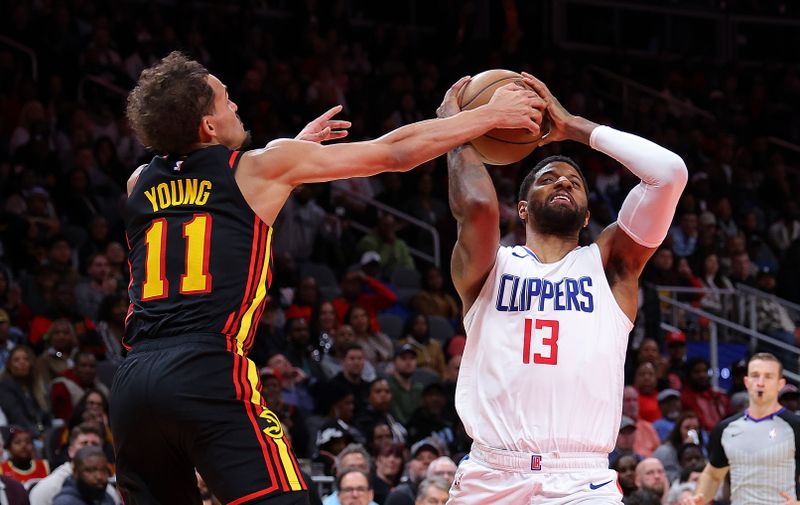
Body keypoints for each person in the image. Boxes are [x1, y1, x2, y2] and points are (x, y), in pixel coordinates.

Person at [113, 52, 541, 505]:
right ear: (208, 127)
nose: (235, 106)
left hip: (134, 383)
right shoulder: (260, 168)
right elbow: (393, 154)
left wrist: (290, 161)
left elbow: (203, 210)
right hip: (205, 370)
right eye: (225, 101)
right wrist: (488, 115)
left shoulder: (138, 182)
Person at [440, 72, 687, 504]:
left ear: (588, 216)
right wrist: (455, 128)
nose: (562, 182)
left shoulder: (610, 266)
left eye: (574, 182)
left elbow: (668, 174)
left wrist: (573, 127)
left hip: (580, 480)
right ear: (521, 209)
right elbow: (478, 205)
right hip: (492, 472)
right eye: (548, 178)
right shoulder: (490, 266)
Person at [682, 352, 800, 505]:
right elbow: (713, 474)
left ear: (780, 384)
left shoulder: (796, 426)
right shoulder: (725, 429)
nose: (760, 382)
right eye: (755, 375)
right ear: (746, 381)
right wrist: (697, 498)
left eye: (768, 376)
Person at [30, 423, 121, 505]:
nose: (89, 448)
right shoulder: (48, 488)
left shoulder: (110, 493)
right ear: (71, 451)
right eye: (84, 443)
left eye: (95, 444)